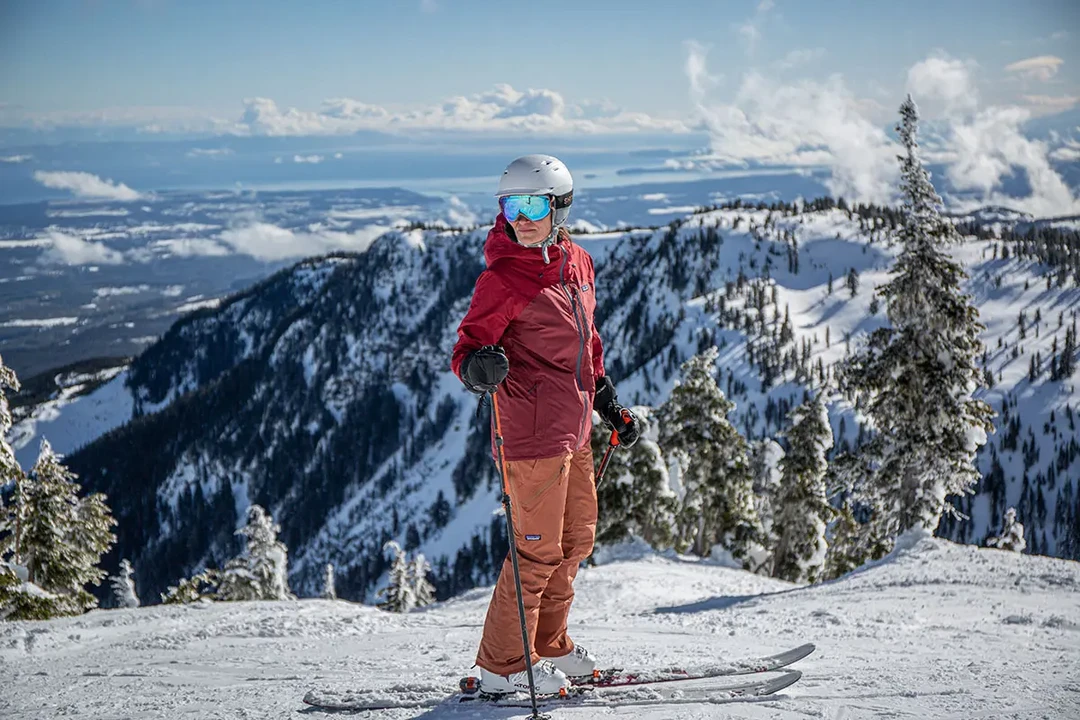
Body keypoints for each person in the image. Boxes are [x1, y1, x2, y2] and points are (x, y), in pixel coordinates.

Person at [450, 154, 640, 695]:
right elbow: (466, 349)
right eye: (510, 205)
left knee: (575, 540)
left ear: (559, 207)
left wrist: (608, 402)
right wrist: (477, 367)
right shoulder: (503, 277)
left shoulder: (577, 262)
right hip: (531, 434)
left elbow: (588, 341)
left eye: (532, 205)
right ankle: (504, 665)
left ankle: (548, 644)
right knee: (535, 551)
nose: (520, 218)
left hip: (574, 426)